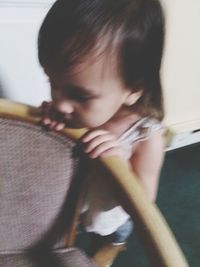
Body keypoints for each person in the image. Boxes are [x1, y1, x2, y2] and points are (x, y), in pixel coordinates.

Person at [38, 0, 165, 251]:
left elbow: (143, 206)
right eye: (52, 82)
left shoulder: (145, 137)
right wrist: (48, 125)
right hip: (74, 201)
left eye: (80, 95)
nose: (61, 104)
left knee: (108, 233)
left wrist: (120, 165)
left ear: (133, 90)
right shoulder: (70, 110)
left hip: (107, 212)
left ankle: (114, 243)